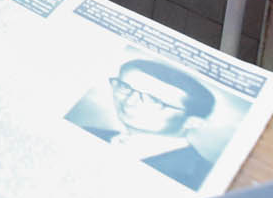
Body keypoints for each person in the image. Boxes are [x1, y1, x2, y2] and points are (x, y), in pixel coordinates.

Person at [73, 59, 217, 189]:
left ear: (193, 122)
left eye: (154, 100)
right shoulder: (85, 133)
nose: (129, 102)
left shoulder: (201, 178)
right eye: (125, 87)